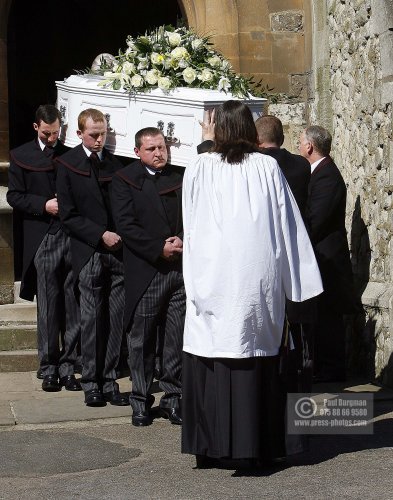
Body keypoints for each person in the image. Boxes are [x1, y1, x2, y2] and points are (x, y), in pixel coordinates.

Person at [181, 100, 323, 468]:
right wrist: (298, 283)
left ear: (216, 129)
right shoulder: (266, 166)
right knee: (253, 349)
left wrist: (194, 277)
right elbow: (287, 225)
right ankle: (255, 446)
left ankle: (211, 447)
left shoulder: (198, 167)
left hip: (212, 277)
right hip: (254, 280)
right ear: (249, 129)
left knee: (214, 349)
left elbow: (190, 226)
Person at [112, 127, 185, 427]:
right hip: (148, 271)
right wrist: (158, 248)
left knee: (176, 337)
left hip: (179, 271)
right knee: (141, 341)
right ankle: (140, 400)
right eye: (152, 149)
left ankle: (173, 397)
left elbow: (193, 213)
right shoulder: (124, 180)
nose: (158, 153)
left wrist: (182, 240)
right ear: (137, 152)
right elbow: (126, 226)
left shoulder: (179, 176)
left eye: (162, 147)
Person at [56, 108, 128, 407]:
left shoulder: (115, 162)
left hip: (118, 253)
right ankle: (91, 381)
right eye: (94, 135)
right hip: (90, 251)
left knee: (115, 320)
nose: (100, 140)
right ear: (79, 134)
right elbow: (68, 215)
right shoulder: (68, 164)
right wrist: (100, 234)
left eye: (103, 134)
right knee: (91, 320)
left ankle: (109, 379)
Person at [7, 104, 81, 392]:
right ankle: (48, 366)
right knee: (49, 306)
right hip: (43, 237)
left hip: (71, 235)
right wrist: (43, 205)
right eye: (48, 133)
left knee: (72, 303)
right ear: (36, 127)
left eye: (56, 132)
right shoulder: (21, 155)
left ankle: (69, 366)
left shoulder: (68, 153)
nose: (53, 138)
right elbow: (14, 196)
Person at [299, 125, 355, 383]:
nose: (299, 147)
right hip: (321, 258)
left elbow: (315, 218)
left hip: (328, 260)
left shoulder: (327, 176)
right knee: (320, 316)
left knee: (328, 316)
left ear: (310, 146)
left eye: (300, 142)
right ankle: (322, 366)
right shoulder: (319, 173)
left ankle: (332, 369)